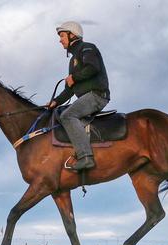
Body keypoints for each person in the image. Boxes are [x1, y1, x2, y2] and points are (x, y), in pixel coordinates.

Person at [48, 21, 110, 171]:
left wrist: (74, 77)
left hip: (97, 96)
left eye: (62, 35)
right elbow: (69, 90)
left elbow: (93, 67)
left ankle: (85, 157)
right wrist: (55, 102)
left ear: (72, 35)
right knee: (59, 113)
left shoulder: (87, 47)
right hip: (87, 97)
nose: (60, 39)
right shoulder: (72, 61)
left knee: (67, 116)